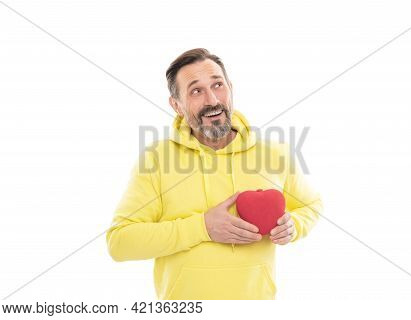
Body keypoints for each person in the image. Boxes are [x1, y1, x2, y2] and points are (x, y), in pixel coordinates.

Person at [106, 48, 323, 300]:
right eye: (196, 91)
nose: (212, 100)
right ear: (176, 105)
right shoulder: (156, 159)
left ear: (230, 88)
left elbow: (312, 205)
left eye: (218, 85)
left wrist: (294, 226)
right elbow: (119, 243)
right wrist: (203, 227)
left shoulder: (274, 154)